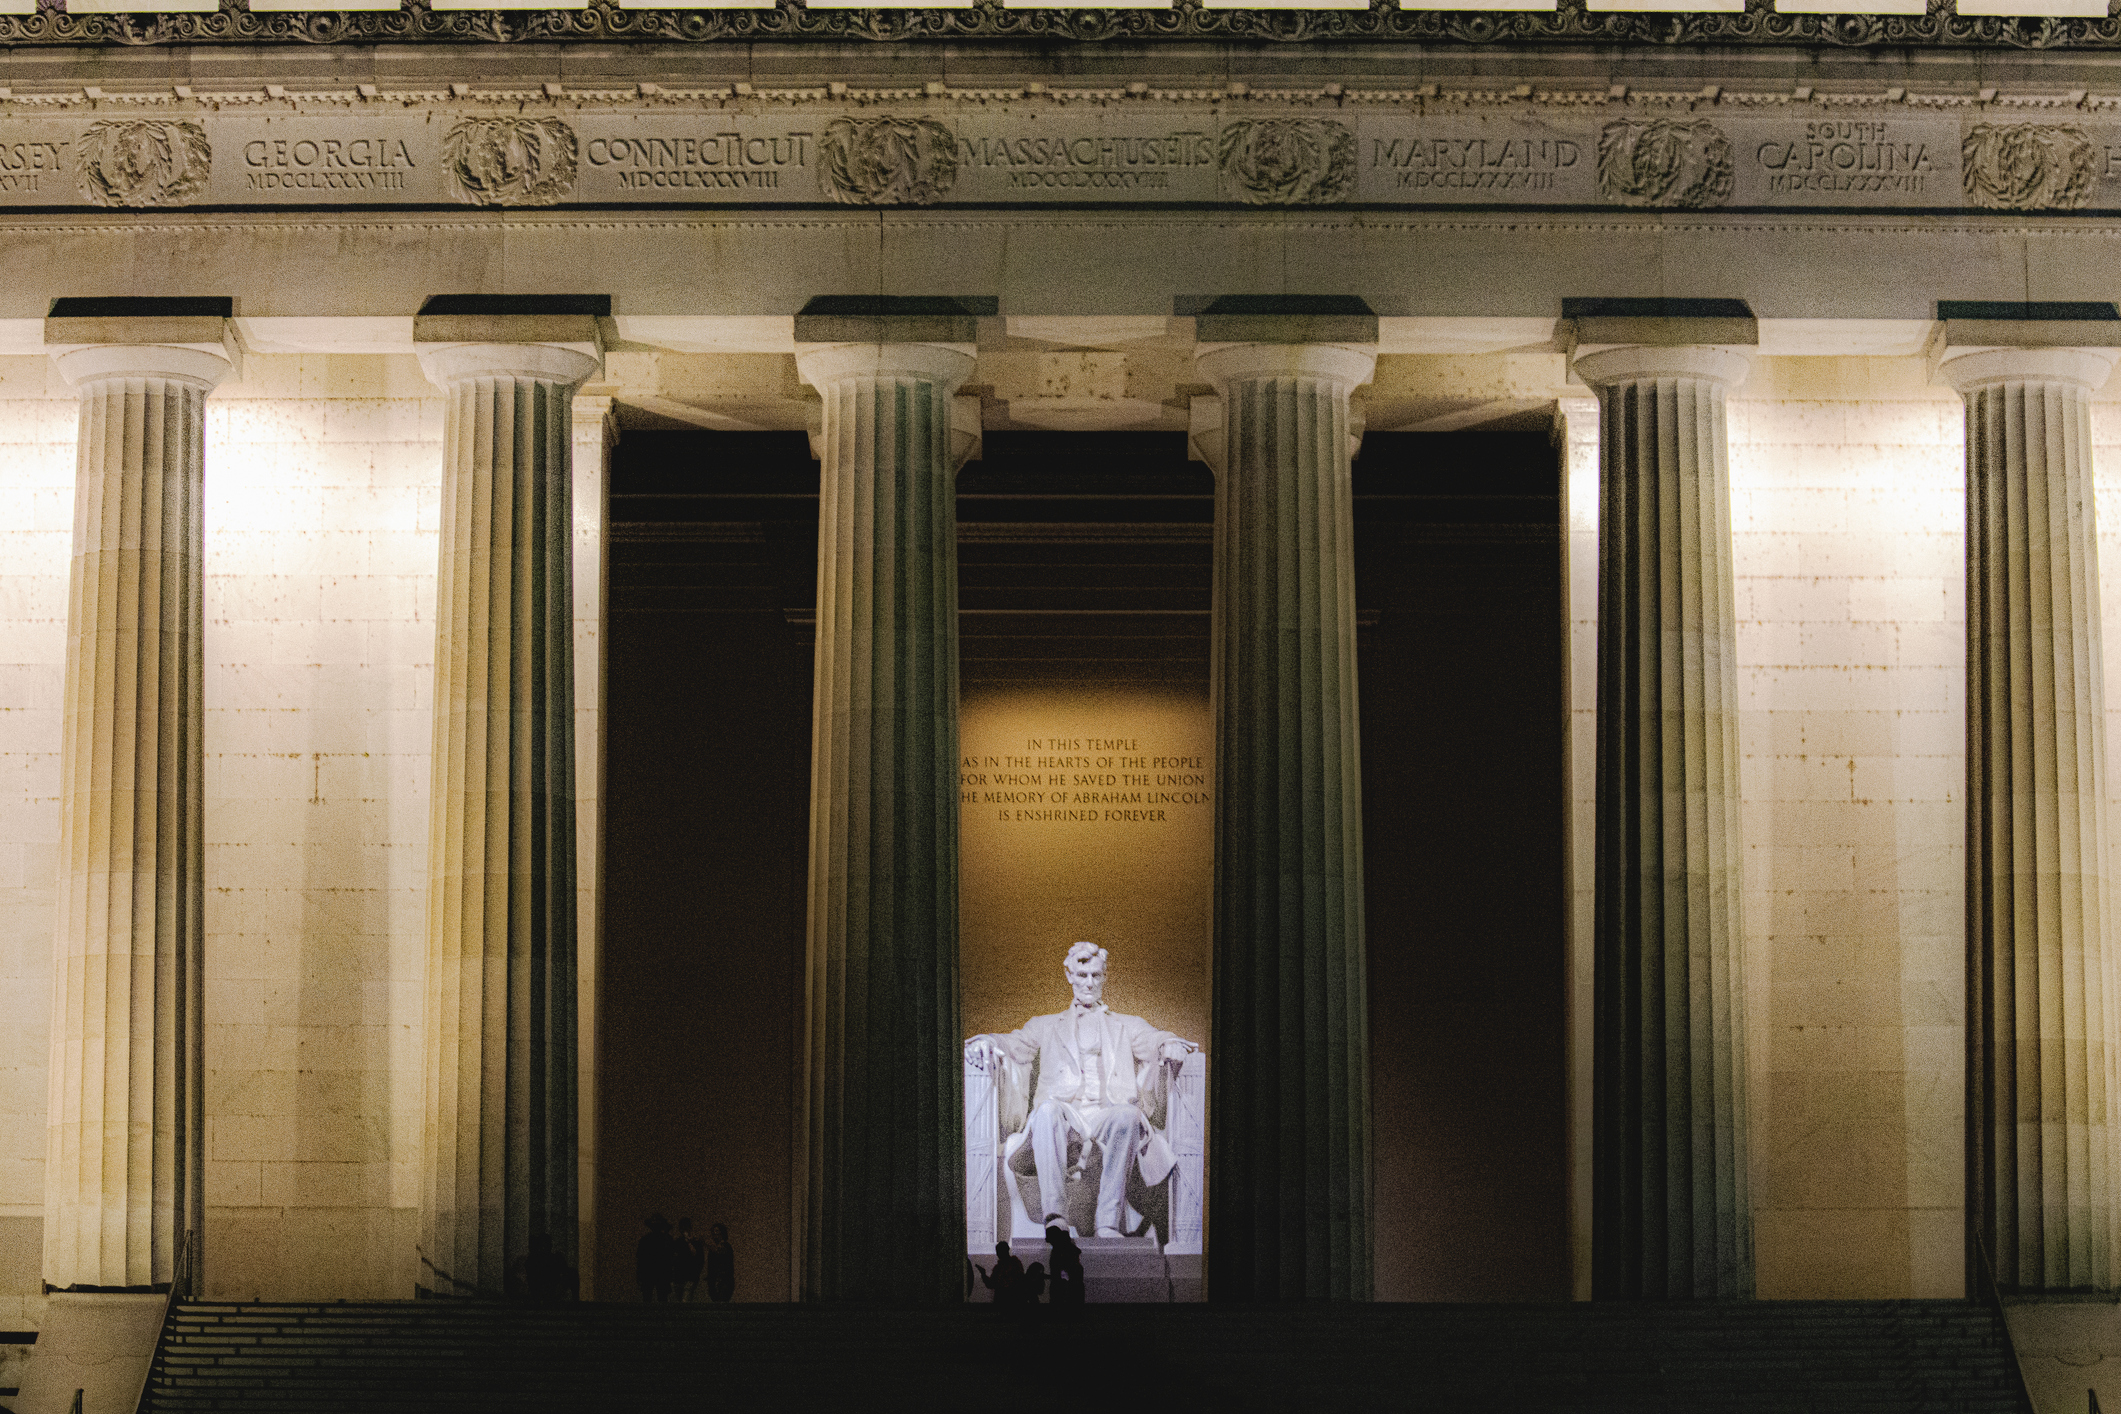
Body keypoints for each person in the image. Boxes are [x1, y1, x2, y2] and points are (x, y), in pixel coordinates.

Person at [966, 942, 1199, 1238]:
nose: (1089, 982)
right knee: (1047, 1110)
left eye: (1096, 975)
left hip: (1107, 1115)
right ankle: (1055, 1217)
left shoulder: (1127, 1025)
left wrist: (1171, 1044)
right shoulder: (1045, 1025)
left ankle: (1108, 1222)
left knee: (1129, 1114)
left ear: (1104, 977)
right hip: (1066, 1116)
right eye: (1082, 974)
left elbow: (1155, 1040)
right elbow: (1013, 1044)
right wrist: (986, 1042)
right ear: (1069, 975)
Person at [636, 1214, 677, 1302]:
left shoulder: (645, 1239)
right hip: (660, 1272)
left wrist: (639, 1274)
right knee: (661, 1298)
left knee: (649, 1297)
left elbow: (640, 1259)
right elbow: (671, 1257)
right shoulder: (667, 1239)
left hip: (650, 1272)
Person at [1046, 1226, 1084, 1308]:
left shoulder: (1060, 1252)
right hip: (1069, 1287)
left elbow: (1062, 1272)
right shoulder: (1067, 1250)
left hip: (1065, 1289)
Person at [977, 1240, 1024, 1305]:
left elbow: (991, 1284)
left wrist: (983, 1274)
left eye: (999, 1252)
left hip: (1005, 1301)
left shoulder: (1000, 1267)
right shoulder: (1015, 1264)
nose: (997, 1254)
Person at [674, 1218, 704, 1302]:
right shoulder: (678, 1242)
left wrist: (689, 1242)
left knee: (685, 1300)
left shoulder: (695, 1242)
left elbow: (697, 1257)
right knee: (678, 1301)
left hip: (690, 1276)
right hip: (679, 1277)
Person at [704, 1222, 736, 1303]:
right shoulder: (713, 1249)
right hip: (714, 1279)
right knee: (716, 1301)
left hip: (724, 1279)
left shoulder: (726, 1246)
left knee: (722, 1301)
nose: (715, 1233)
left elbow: (721, 1253)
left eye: (717, 1231)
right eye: (714, 1231)